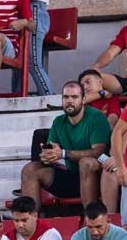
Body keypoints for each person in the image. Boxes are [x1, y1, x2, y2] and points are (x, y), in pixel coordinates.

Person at [20, 81, 109, 211]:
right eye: (66, 97)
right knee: (30, 169)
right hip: (72, 176)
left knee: (86, 163)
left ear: (83, 100)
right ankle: (31, 222)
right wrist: (48, 156)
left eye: (74, 97)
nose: (69, 101)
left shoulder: (97, 117)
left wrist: (63, 154)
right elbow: (53, 148)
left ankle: (90, 219)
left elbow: (99, 152)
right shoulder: (58, 122)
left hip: (99, 175)